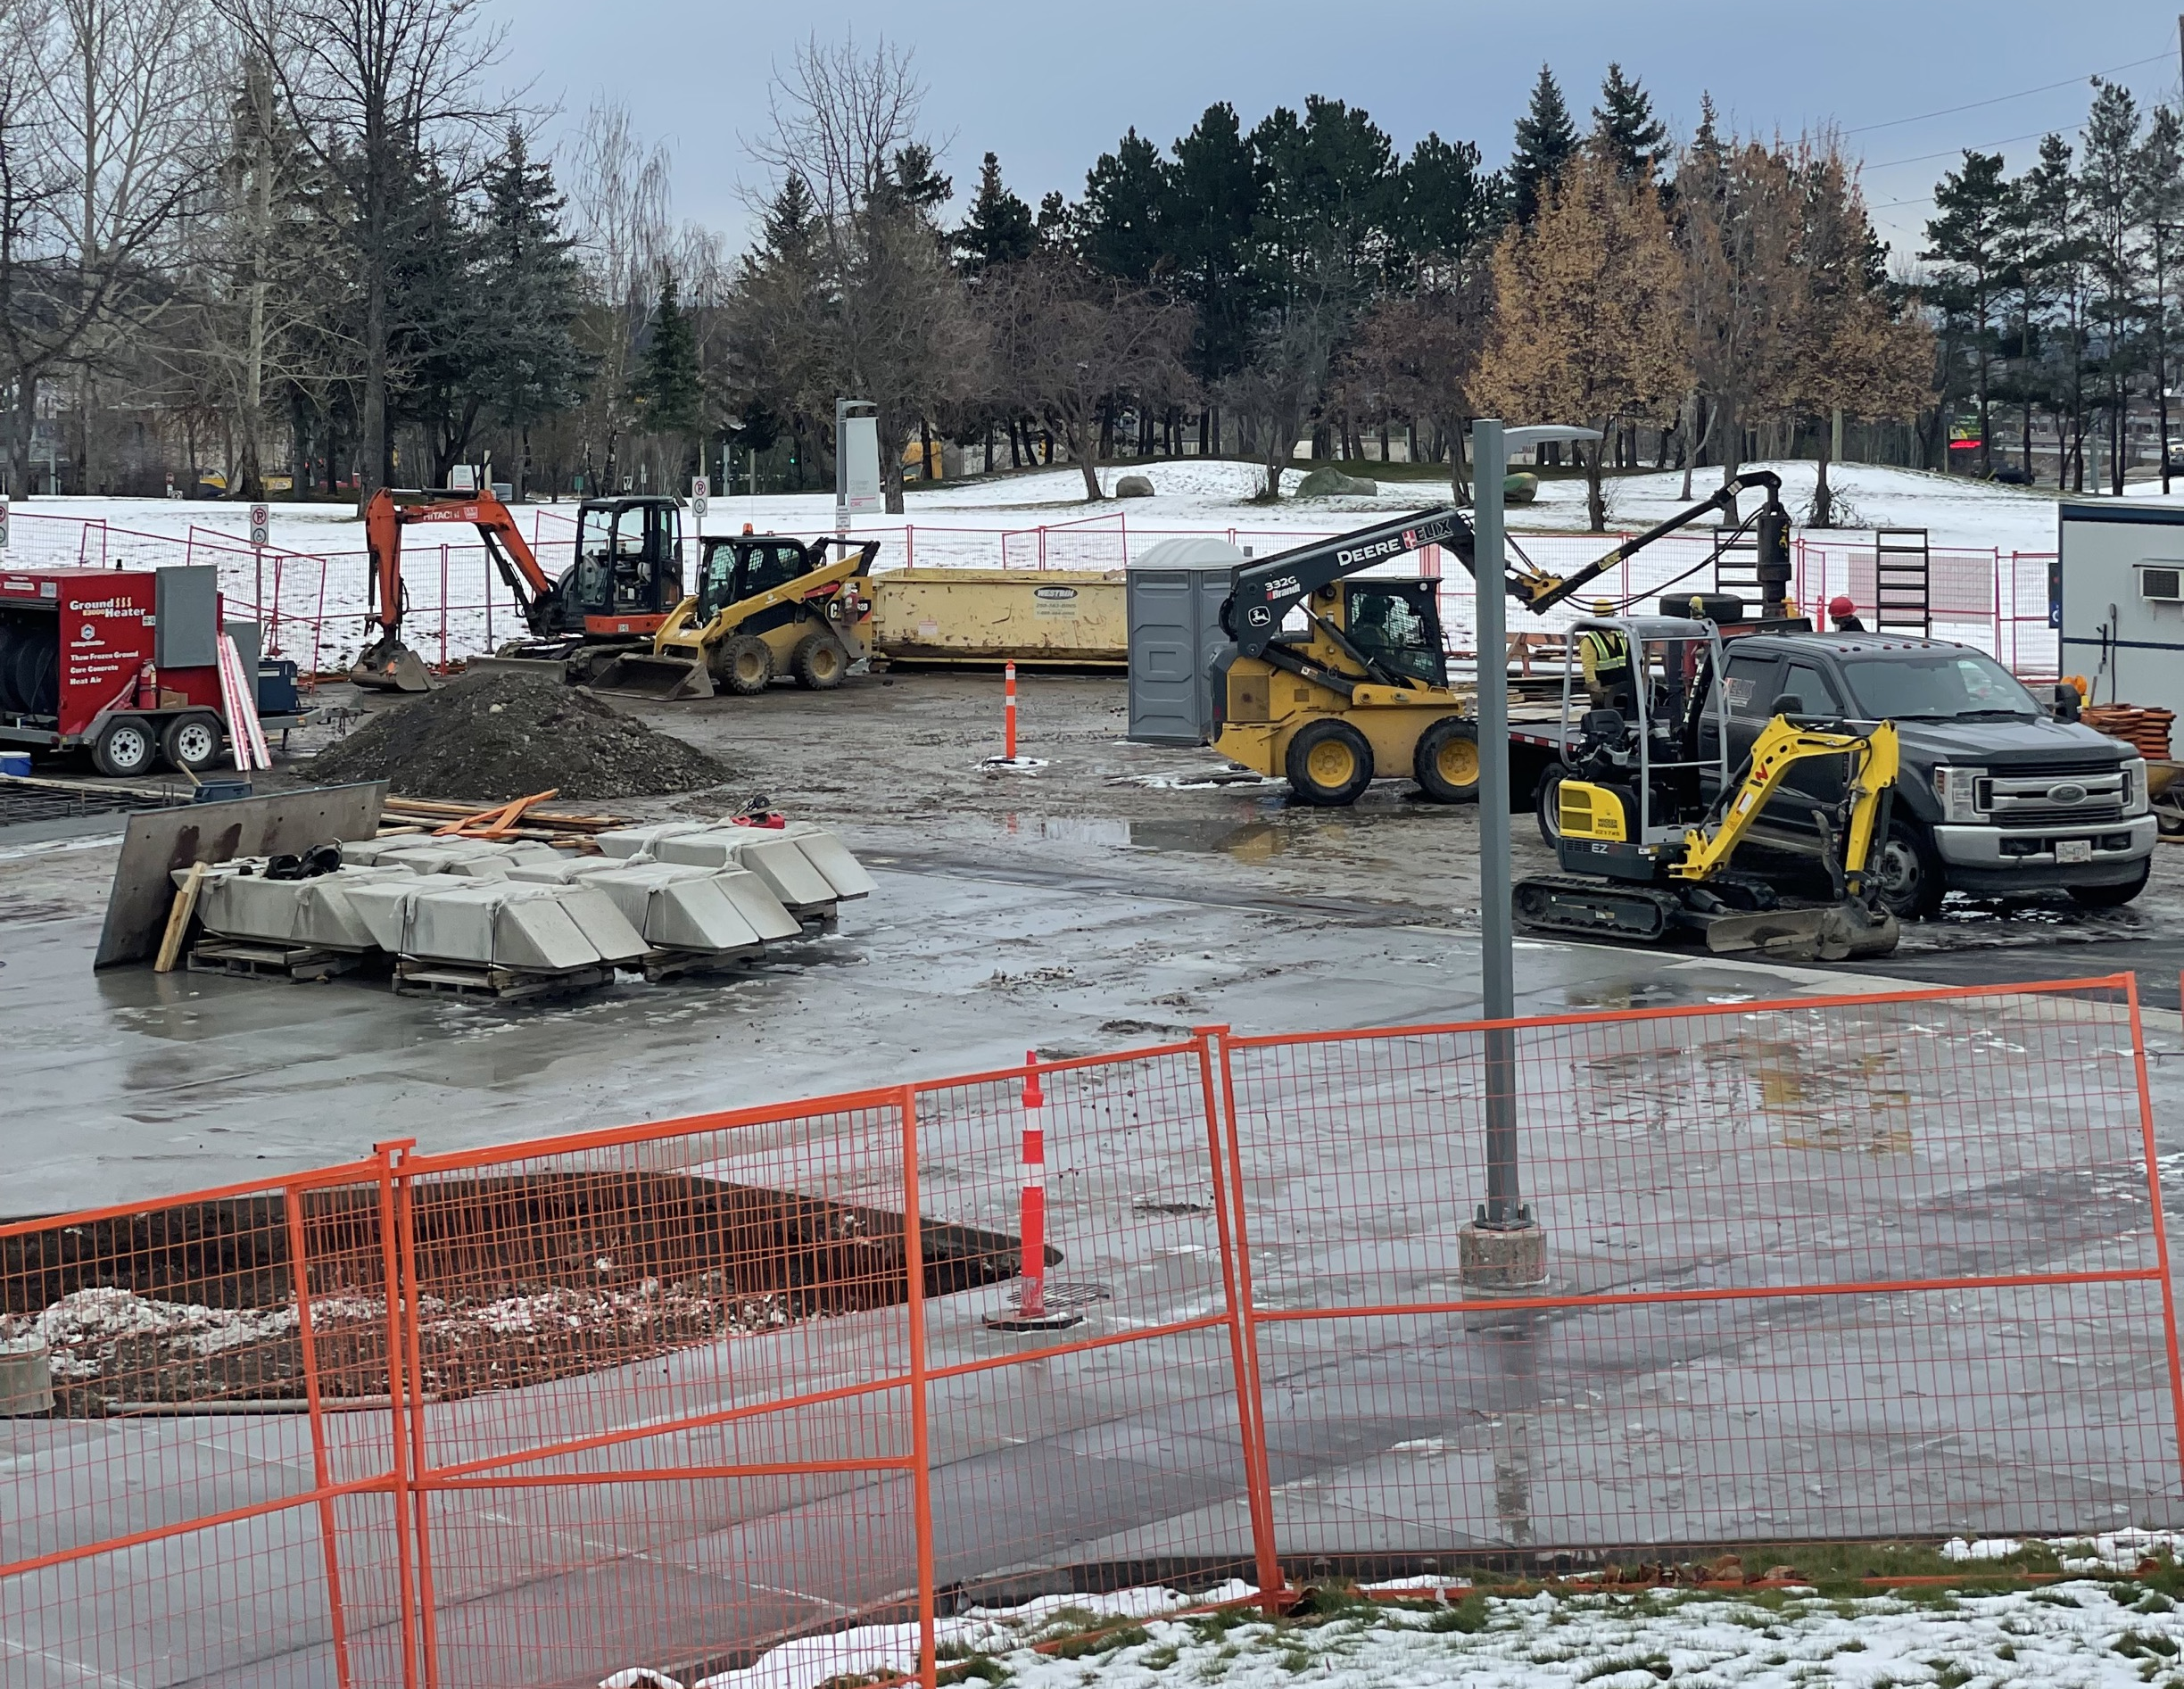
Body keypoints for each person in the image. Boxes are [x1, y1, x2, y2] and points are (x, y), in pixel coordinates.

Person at [1579, 600, 1635, 712]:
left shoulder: (1620, 635)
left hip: (1623, 687)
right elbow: (1588, 667)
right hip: (1605, 690)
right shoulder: (1590, 641)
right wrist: (1595, 691)